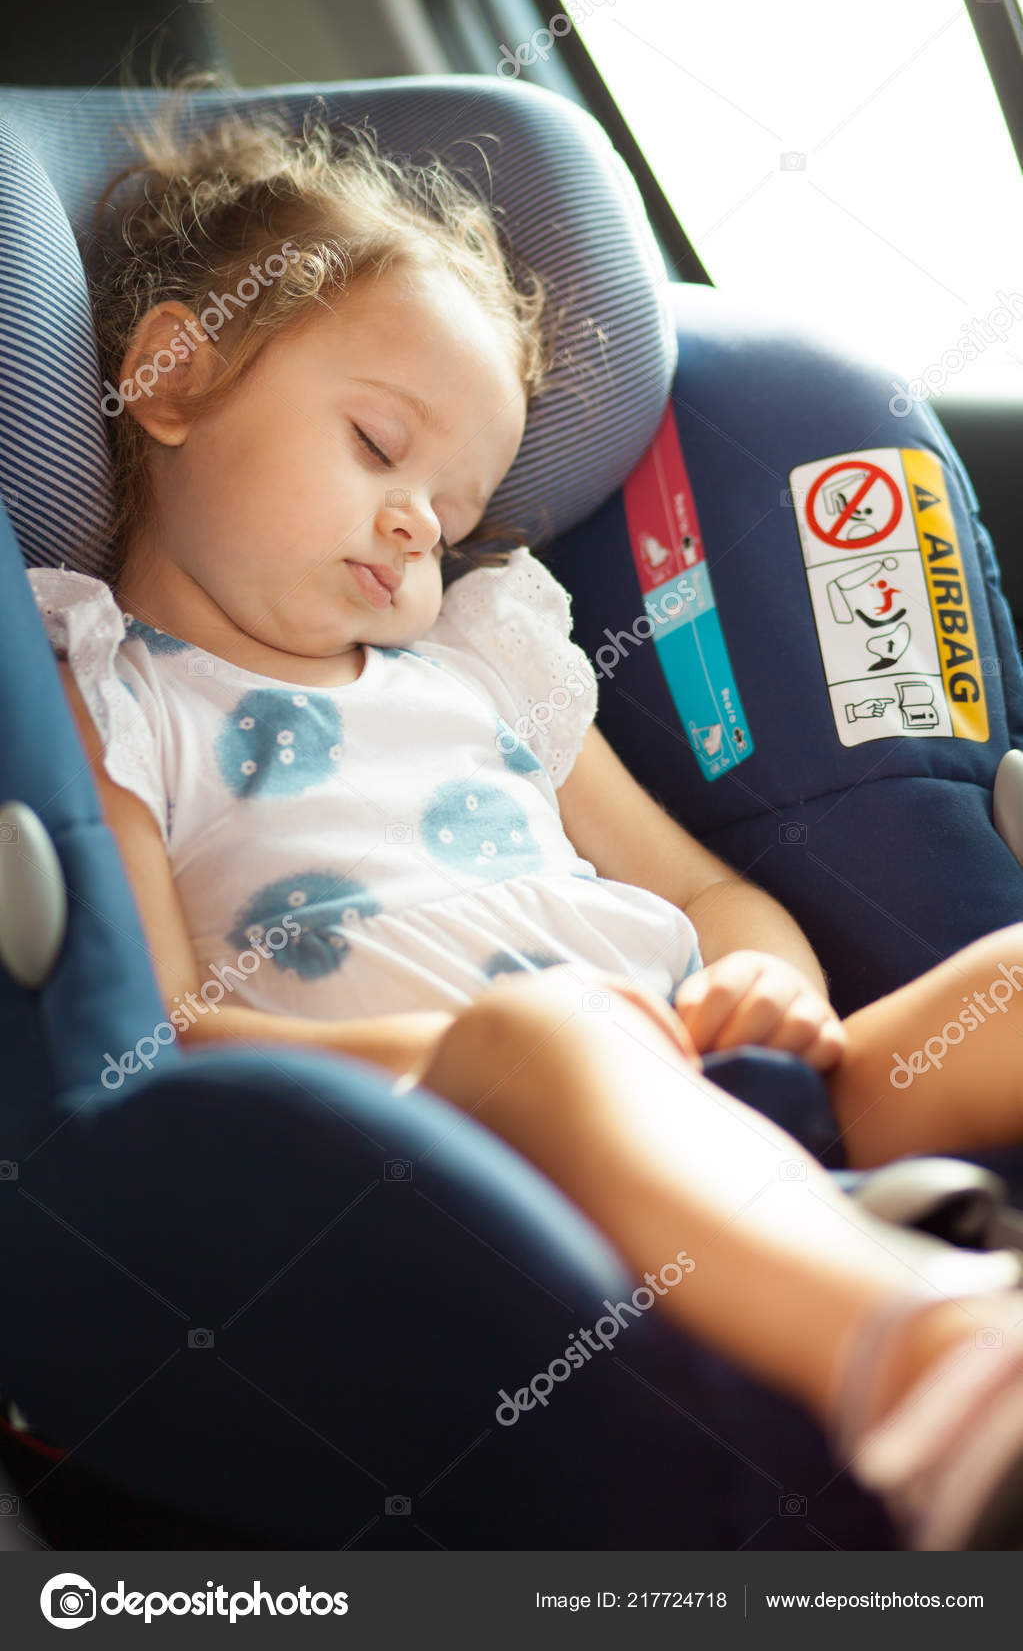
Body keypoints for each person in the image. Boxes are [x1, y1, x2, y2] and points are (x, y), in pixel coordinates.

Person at [31, 95, 1023, 1551]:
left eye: (461, 499)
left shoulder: (486, 660)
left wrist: (774, 991)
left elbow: (706, 891)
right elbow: (155, 1027)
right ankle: (928, 1365)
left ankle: (842, 1259)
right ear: (172, 377)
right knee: (552, 1030)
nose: (426, 523)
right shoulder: (107, 687)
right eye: (380, 446)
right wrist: (501, 1051)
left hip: (719, 1078)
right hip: (466, 1149)